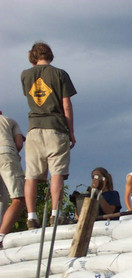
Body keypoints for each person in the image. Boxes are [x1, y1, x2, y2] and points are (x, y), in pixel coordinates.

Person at [21, 42, 77, 229]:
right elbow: (66, 104)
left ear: (33, 56)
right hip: (56, 127)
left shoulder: (25, 75)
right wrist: (71, 131)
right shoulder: (60, 74)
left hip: (33, 128)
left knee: (31, 175)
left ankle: (31, 216)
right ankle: (55, 214)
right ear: (50, 54)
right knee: (57, 172)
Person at [0, 111, 26, 244]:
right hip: (6, 154)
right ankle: (1, 236)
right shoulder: (8, 120)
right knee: (18, 198)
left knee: (1, 199)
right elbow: (19, 143)